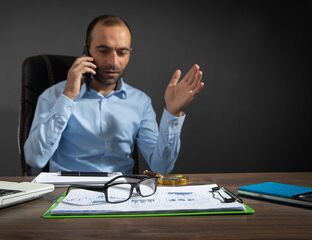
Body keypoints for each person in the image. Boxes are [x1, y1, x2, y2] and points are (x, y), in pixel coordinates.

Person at [24, 14, 204, 175]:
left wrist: (173, 113)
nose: (113, 61)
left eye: (122, 52)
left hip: (121, 195)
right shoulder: (53, 96)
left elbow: (161, 167)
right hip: (66, 193)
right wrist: (68, 97)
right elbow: (35, 159)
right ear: (86, 50)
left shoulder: (140, 102)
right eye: (103, 51)